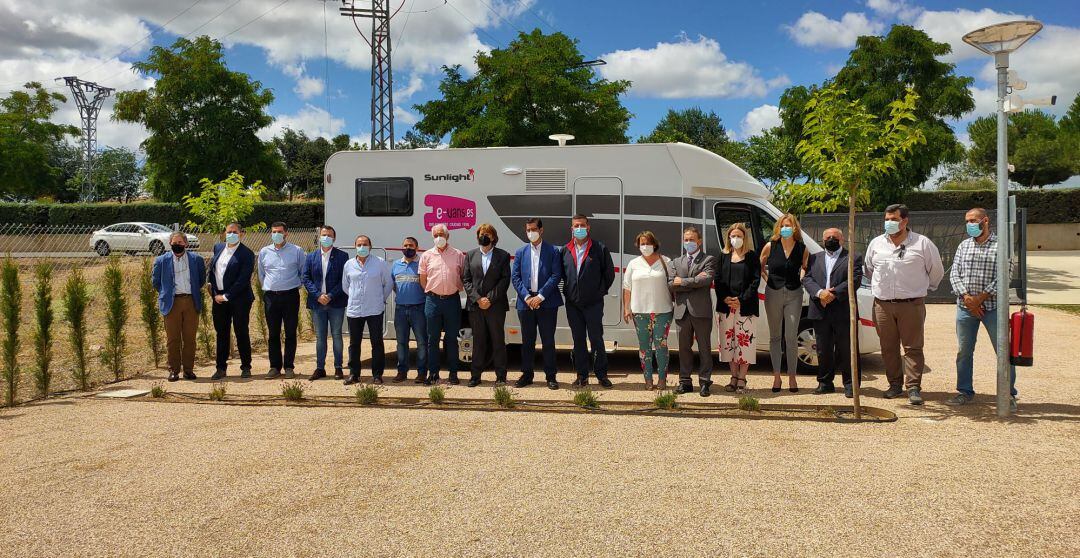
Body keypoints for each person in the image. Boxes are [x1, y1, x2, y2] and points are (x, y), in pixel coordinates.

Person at [864, 204, 944, 405]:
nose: (889, 223)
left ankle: (914, 387)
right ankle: (894, 385)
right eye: (887, 219)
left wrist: (921, 290)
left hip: (911, 305)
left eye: (893, 219)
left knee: (913, 348)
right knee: (888, 347)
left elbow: (936, 272)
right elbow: (869, 269)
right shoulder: (876, 243)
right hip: (882, 305)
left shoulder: (922, 243)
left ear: (905, 221)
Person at [946, 208, 1015, 409]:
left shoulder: (1001, 246)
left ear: (985, 221)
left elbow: (1004, 276)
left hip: (994, 309)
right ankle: (964, 391)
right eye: (967, 221)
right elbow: (954, 274)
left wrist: (980, 299)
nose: (970, 224)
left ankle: (1008, 394)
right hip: (965, 308)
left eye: (973, 220)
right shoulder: (963, 245)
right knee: (964, 352)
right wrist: (968, 299)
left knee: (1003, 352)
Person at [802, 228, 863, 398]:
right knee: (823, 349)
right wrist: (820, 293)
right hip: (820, 309)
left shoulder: (852, 258)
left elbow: (855, 279)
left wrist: (833, 294)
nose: (830, 239)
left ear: (842, 239)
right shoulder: (814, 258)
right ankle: (825, 382)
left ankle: (851, 384)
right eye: (827, 237)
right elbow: (807, 278)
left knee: (847, 348)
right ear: (822, 240)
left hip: (842, 309)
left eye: (834, 237)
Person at [560, 215, 616, 388]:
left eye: (582, 225)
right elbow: (562, 275)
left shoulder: (599, 248)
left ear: (588, 227)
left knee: (596, 339)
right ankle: (581, 376)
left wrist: (598, 292)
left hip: (593, 304)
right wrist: (568, 293)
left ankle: (601, 375)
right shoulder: (565, 250)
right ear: (571, 229)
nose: (579, 228)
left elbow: (609, 274)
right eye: (576, 225)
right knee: (578, 340)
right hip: (573, 304)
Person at [511, 218, 564, 390]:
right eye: (528, 230)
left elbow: (556, 276)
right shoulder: (520, 252)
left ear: (541, 230)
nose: (530, 233)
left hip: (547, 303)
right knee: (527, 341)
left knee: (548, 341)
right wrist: (527, 297)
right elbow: (516, 277)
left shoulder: (553, 251)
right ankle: (527, 375)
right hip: (525, 303)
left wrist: (540, 296)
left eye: (533, 229)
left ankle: (551, 376)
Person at [760, 213, 810, 393]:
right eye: (783, 225)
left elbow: (805, 267)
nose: (785, 228)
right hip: (773, 292)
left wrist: (801, 279)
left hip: (794, 293)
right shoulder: (770, 246)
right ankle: (776, 377)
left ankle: (792, 377)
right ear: (778, 228)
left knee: (790, 336)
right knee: (775, 336)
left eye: (789, 225)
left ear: (795, 228)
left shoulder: (802, 248)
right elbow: (761, 266)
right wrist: (768, 281)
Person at [622, 231, 674, 390]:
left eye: (648, 243)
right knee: (645, 347)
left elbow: (674, 284)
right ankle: (648, 379)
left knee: (661, 346)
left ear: (654, 244)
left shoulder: (666, 261)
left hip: (663, 311)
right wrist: (626, 308)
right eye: (642, 243)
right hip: (640, 312)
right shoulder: (633, 263)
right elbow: (627, 287)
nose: (645, 246)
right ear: (638, 245)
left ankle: (662, 379)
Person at [152, 232, 207, 382]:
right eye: (174, 242)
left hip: (190, 301)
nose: (177, 245)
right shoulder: (161, 261)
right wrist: (167, 293)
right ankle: (173, 370)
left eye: (180, 242)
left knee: (190, 339)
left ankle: (188, 370)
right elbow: (156, 282)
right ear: (170, 243)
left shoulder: (196, 260)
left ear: (186, 244)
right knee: (173, 339)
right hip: (171, 303)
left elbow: (201, 279)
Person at [462, 224, 512, 387]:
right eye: (482, 234)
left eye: (488, 234)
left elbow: (504, 280)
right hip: (475, 307)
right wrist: (478, 299)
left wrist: (489, 299)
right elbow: (466, 280)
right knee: (479, 341)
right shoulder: (470, 255)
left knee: (498, 340)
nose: (484, 236)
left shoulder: (503, 256)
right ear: (477, 236)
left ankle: (501, 376)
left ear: (493, 237)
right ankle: (475, 375)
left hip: (495, 306)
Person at [670, 225, 717, 396]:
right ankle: (685, 381)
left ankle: (705, 382)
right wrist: (693, 282)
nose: (688, 242)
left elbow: (705, 280)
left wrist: (681, 282)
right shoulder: (676, 261)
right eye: (686, 239)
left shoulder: (709, 260)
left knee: (704, 347)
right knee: (683, 348)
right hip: (682, 311)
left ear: (699, 241)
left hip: (701, 311)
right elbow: (670, 284)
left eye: (691, 239)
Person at [341, 234, 394, 385]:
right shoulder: (349, 264)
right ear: (355, 246)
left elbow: (388, 283)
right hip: (354, 310)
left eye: (365, 244)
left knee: (376, 342)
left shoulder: (380, 263)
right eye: (359, 244)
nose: (362, 247)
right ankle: (354, 374)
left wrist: (380, 298)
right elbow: (346, 286)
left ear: (370, 246)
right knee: (354, 343)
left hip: (374, 309)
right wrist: (354, 296)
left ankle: (377, 374)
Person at [714, 223, 760, 393]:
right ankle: (733, 376)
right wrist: (726, 298)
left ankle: (742, 377)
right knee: (728, 344)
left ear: (744, 238)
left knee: (745, 344)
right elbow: (717, 280)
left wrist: (741, 300)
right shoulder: (722, 256)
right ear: (728, 238)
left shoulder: (752, 257)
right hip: (726, 307)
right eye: (733, 236)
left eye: (739, 236)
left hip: (746, 307)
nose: (735, 239)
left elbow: (755, 281)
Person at [257, 222, 306, 379]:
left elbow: (303, 272)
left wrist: (292, 285)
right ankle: (274, 367)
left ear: (286, 233)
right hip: (271, 297)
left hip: (290, 296)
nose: (276, 234)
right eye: (273, 232)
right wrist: (270, 286)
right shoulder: (264, 252)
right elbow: (261, 274)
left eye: (279, 232)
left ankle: (289, 366)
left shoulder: (297, 251)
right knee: (273, 333)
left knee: (290, 332)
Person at [419, 223, 466, 385]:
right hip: (432, 301)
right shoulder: (426, 256)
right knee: (432, 339)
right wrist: (432, 291)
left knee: (452, 339)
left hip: (452, 301)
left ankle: (453, 374)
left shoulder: (458, 254)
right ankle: (433, 373)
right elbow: (423, 279)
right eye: (435, 235)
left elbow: (463, 277)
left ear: (447, 236)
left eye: (441, 234)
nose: (439, 237)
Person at [207, 222, 255, 380]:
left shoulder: (246, 253)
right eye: (229, 231)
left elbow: (243, 280)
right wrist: (214, 292)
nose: (232, 234)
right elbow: (213, 271)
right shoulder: (218, 248)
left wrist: (226, 296)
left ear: (242, 234)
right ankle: (220, 368)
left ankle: (246, 366)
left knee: (241, 331)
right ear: (224, 233)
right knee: (221, 333)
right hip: (219, 299)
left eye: (235, 232)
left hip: (239, 299)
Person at [301, 225, 349, 381]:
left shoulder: (342, 256)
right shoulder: (310, 256)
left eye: (329, 235)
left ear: (334, 238)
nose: (326, 237)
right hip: (317, 303)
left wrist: (330, 295)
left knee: (336, 335)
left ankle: (338, 368)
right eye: (323, 235)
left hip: (336, 303)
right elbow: (306, 278)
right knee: (320, 337)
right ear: (319, 237)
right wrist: (318, 295)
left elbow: (344, 279)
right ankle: (320, 368)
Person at [391, 237, 427, 384]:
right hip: (400, 309)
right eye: (405, 245)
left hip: (419, 308)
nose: (408, 248)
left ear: (417, 248)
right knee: (401, 342)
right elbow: (394, 285)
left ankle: (422, 373)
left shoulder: (422, 264)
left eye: (411, 245)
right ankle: (402, 372)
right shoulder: (395, 265)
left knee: (422, 342)